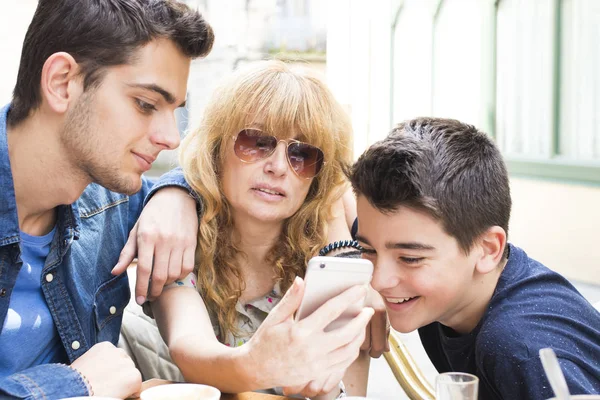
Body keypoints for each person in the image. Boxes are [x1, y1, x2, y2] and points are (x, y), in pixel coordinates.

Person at [0, 0, 214, 399]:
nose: (171, 137)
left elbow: (218, 182)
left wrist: (175, 193)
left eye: (173, 111)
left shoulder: (113, 199)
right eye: (146, 104)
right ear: (63, 82)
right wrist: (76, 386)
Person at [149, 60, 385, 399]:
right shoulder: (183, 237)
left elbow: (350, 391)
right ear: (217, 150)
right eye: (257, 142)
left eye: (302, 154)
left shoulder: (328, 257)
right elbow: (190, 349)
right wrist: (260, 363)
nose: (277, 167)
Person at [349, 117, 600, 399]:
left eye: (409, 258)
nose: (380, 281)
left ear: (488, 249)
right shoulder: (448, 290)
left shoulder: (517, 348)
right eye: (368, 250)